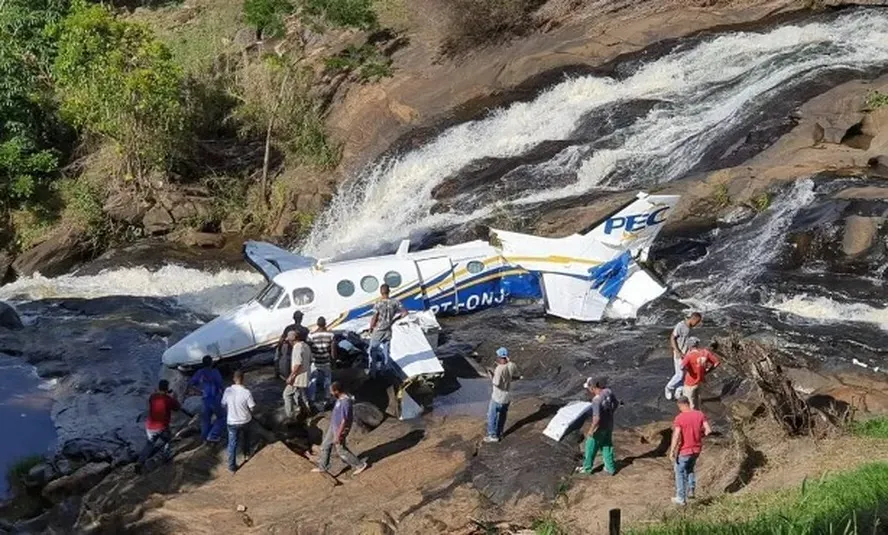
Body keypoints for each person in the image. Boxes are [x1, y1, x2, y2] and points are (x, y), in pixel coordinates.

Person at [312, 381, 368, 475]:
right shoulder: (339, 398)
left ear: (337, 391)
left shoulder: (346, 402)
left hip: (340, 428)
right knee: (325, 445)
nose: (331, 393)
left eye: (332, 391)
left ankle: (359, 465)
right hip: (333, 426)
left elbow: (344, 420)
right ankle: (323, 466)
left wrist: (338, 434)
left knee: (341, 449)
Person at [669, 396, 712, 505]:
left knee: (679, 471)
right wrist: (700, 434)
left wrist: (672, 450)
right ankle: (691, 490)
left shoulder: (679, 418)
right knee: (690, 468)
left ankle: (681, 498)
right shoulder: (699, 414)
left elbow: (676, 435)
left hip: (685, 450)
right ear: (688, 403)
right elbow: (708, 430)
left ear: (680, 405)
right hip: (697, 449)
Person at [136, 379, 181, 474]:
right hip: (161, 427)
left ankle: (140, 462)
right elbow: (177, 407)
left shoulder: (153, 397)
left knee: (149, 444)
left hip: (149, 426)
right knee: (168, 440)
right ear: (167, 388)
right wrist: (174, 397)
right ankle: (166, 457)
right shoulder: (168, 400)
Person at [578, 378, 618, 475]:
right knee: (606, 445)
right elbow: (616, 404)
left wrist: (591, 430)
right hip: (609, 424)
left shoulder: (596, 400)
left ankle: (587, 468)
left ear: (592, 388)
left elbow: (596, 419)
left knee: (590, 446)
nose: (588, 390)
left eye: (588, 388)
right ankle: (610, 468)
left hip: (599, 427)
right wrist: (609, 413)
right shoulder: (608, 392)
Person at [368, 284, 407, 376]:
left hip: (379, 330)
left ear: (381, 292)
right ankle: (384, 370)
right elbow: (405, 313)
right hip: (388, 329)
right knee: (386, 350)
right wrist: (394, 320)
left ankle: (372, 372)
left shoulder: (378, 303)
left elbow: (374, 317)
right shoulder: (395, 302)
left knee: (372, 350)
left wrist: (370, 327)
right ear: (389, 291)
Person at [221, 370, 256, 473]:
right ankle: (247, 454)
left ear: (233, 379)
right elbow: (252, 407)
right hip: (245, 420)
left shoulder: (227, 391)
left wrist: (229, 410)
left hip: (232, 422)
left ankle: (232, 467)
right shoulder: (246, 392)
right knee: (246, 438)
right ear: (243, 379)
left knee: (232, 443)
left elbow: (223, 404)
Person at [665, 312, 703, 401]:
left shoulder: (690, 328)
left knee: (685, 375)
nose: (697, 324)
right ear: (693, 319)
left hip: (686, 354)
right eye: (697, 322)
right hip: (679, 353)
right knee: (679, 374)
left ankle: (678, 392)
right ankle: (669, 388)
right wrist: (677, 351)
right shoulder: (681, 326)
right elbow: (672, 338)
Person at [484, 347, 519, 443]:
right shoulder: (512, 365)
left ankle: (492, 435)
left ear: (500, 357)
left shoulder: (499, 369)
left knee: (492, 416)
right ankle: (500, 433)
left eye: (498, 356)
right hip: (507, 396)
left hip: (497, 397)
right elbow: (516, 377)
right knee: (503, 415)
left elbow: (496, 383)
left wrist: (491, 375)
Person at [187, 355, 225, 442]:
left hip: (205, 399)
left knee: (206, 419)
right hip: (215, 398)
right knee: (221, 417)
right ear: (211, 363)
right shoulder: (215, 372)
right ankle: (213, 435)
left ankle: (204, 436)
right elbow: (220, 385)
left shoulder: (199, 372)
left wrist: (199, 391)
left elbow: (191, 383)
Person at [679, 338, 721, 410]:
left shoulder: (689, 355)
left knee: (689, 403)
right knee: (697, 399)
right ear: (698, 344)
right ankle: (698, 414)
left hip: (690, 382)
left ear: (689, 346)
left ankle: (692, 418)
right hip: (700, 380)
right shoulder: (705, 352)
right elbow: (717, 362)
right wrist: (707, 371)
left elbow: (681, 367)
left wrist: (688, 370)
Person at [308, 316, 336, 409]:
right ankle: (327, 398)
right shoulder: (331, 335)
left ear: (317, 324)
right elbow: (333, 351)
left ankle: (311, 400)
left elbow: (310, 349)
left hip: (315, 361)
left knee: (313, 380)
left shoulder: (312, 336)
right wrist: (333, 361)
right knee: (327, 380)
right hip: (326, 361)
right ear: (325, 324)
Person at [283, 330, 312, 419]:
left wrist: (291, 376)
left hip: (298, 377)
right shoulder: (306, 345)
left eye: (289, 341)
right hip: (305, 374)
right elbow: (310, 359)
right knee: (300, 395)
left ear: (292, 340)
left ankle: (290, 416)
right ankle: (307, 411)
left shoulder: (297, 347)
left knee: (286, 394)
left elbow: (298, 364)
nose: (289, 343)